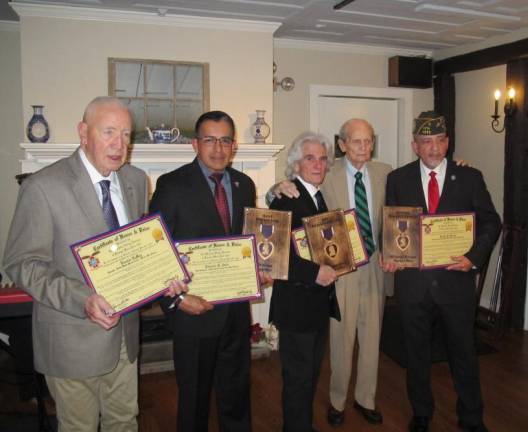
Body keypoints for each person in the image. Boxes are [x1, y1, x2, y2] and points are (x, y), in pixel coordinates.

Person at [3, 96, 186, 431]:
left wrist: (163, 275)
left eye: (127, 134)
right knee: (79, 427)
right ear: (83, 132)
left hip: (125, 336)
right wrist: (81, 298)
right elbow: (21, 263)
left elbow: (135, 251)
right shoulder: (43, 187)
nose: (120, 145)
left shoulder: (134, 180)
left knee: (124, 422)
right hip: (72, 337)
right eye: (109, 132)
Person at [384, 111, 501, 432]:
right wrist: (391, 255)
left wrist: (474, 257)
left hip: (456, 281)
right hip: (413, 285)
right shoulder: (398, 179)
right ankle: (421, 413)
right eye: (426, 142)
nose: (433, 148)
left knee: (464, 353)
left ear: (447, 142)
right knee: (416, 355)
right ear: (415, 146)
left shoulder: (469, 177)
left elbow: (491, 222)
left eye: (439, 141)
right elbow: (392, 228)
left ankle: (472, 417)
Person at [270, 119, 391, 426]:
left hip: (373, 268)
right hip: (334, 276)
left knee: (369, 338)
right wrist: (275, 188)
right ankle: (336, 402)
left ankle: (366, 398)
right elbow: (278, 231)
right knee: (336, 343)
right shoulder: (324, 179)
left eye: (368, 141)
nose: (363, 147)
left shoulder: (386, 173)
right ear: (343, 144)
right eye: (356, 141)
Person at [149, 110, 264, 432]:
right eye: (210, 140)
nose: (218, 149)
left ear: (234, 145)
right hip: (194, 310)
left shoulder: (244, 184)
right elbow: (156, 252)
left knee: (236, 391)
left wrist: (260, 267)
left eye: (225, 140)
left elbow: (246, 239)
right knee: (195, 398)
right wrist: (175, 300)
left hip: (235, 308)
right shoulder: (171, 185)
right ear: (195, 144)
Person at [268, 131, 340, 432]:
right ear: (295, 164)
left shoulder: (317, 196)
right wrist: (314, 273)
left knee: (309, 375)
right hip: (297, 306)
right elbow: (273, 253)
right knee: (299, 379)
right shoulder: (287, 197)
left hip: (315, 305)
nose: (318, 164)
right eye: (310, 158)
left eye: (323, 159)